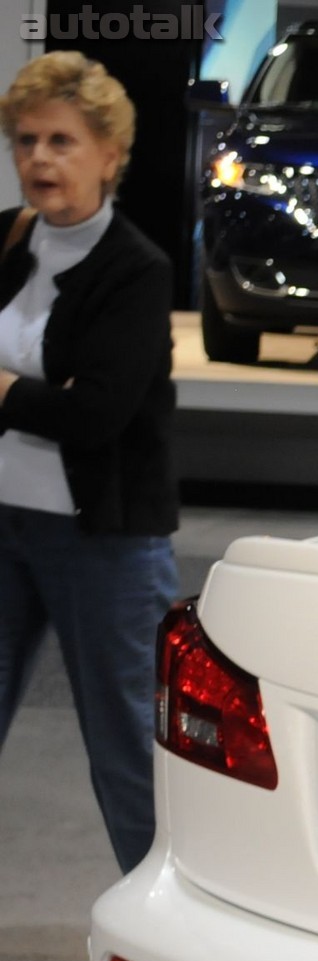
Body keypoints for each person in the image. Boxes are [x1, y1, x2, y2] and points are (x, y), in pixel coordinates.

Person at [0, 52, 178, 875]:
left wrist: (5, 390)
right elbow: (64, 403)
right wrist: (39, 394)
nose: (40, 159)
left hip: (103, 541)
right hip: (5, 528)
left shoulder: (135, 270)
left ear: (110, 153)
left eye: (62, 141)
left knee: (128, 754)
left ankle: (164, 932)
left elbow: (96, 417)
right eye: (26, 140)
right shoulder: (5, 239)